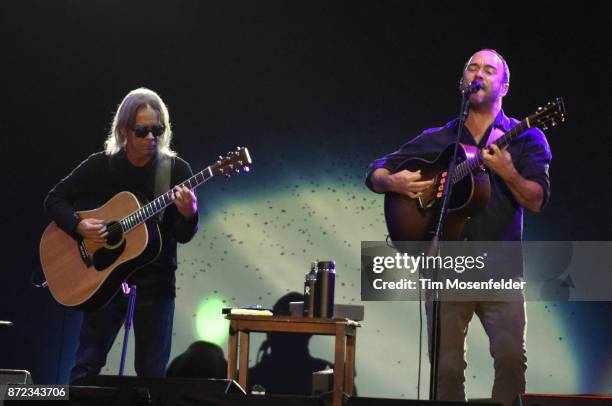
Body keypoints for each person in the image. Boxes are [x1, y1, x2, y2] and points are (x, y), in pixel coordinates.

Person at [365, 49, 552, 405]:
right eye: (472, 68)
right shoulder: (439, 138)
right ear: (463, 81)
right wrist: (395, 184)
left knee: (512, 364)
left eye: (488, 69)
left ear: (504, 85)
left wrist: (507, 172)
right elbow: (377, 169)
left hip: (500, 269)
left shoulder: (528, 137)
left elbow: (537, 200)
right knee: (446, 371)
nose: (478, 73)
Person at [44, 87, 199, 382]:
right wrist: (78, 226)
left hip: (156, 285)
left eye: (158, 129)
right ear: (124, 130)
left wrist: (190, 214)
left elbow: (182, 234)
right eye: (142, 131)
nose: (151, 138)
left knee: (151, 377)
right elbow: (54, 199)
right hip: (104, 281)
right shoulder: (103, 166)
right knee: (85, 368)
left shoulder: (176, 171)